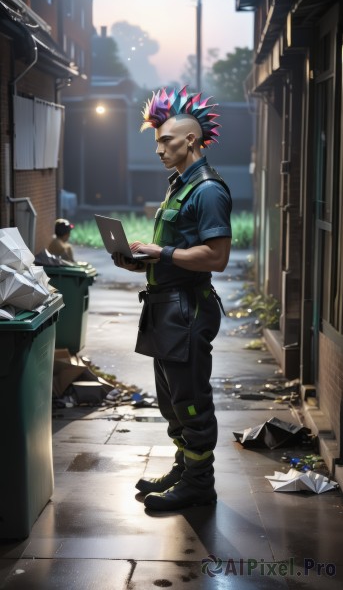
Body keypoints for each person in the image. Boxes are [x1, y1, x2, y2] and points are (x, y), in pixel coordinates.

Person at [112, 87, 232, 511]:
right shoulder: (179, 185)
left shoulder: (208, 190)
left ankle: (200, 484)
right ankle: (184, 468)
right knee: (171, 401)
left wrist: (160, 253)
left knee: (191, 400)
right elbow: (178, 251)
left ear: (192, 142)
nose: (159, 149)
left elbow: (216, 257)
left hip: (188, 309)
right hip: (167, 308)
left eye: (167, 141)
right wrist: (138, 261)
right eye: (157, 141)